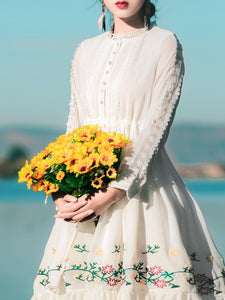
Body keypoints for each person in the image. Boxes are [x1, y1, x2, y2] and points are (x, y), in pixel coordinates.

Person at [31, 0, 225, 299]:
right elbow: (75, 127)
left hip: (145, 190)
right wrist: (60, 190)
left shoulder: (164, 43)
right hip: (87, 193)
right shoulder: (85, 49)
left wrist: (116, 191)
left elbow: (157, 127)